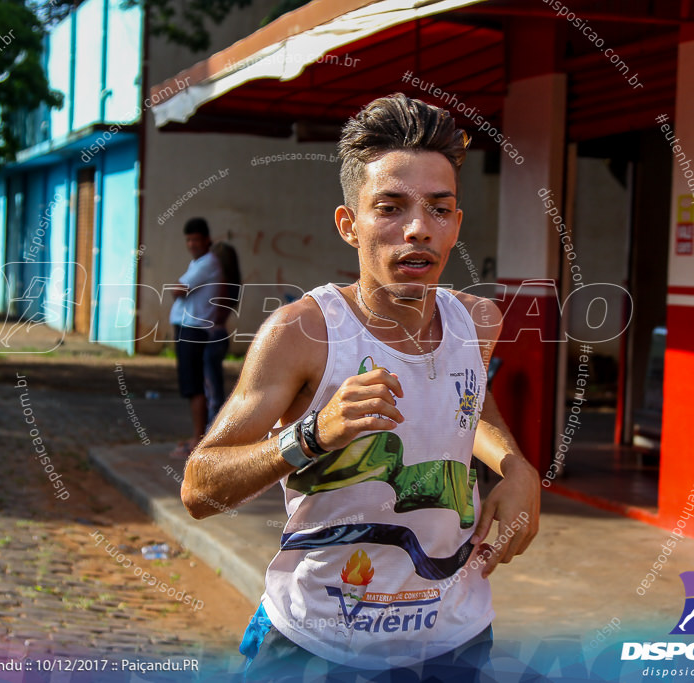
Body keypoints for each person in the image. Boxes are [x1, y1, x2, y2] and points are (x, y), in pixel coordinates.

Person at [180, 93, 540, 681]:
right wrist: (310, 436)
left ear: (456, 225)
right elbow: (199, 488)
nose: (418, 229)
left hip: (454, 637)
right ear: (350, 224)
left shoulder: (479, 322)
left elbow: (467, 405)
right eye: (391, 207)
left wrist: (516, 467)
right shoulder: (302, 333)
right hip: (318, 643)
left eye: (439, 209)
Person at [169, 218, 223, 457]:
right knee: (193, 387)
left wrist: (177, 289)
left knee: (196, 387)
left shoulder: (208, 263)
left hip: (194, 330)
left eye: (196, 239)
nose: (191, 244)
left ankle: (198, 439)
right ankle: (198, 436)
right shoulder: (198, 263)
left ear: (207, 240)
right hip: (187, 329)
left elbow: (179, 289)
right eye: (188, 240)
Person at [204, 239, 241, 424]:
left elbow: (214, 313)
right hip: (220, 336)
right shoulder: (232, 284)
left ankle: (210, 433)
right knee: (212, 389)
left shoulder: (220, 284)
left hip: (211, 337)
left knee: (212, 392)